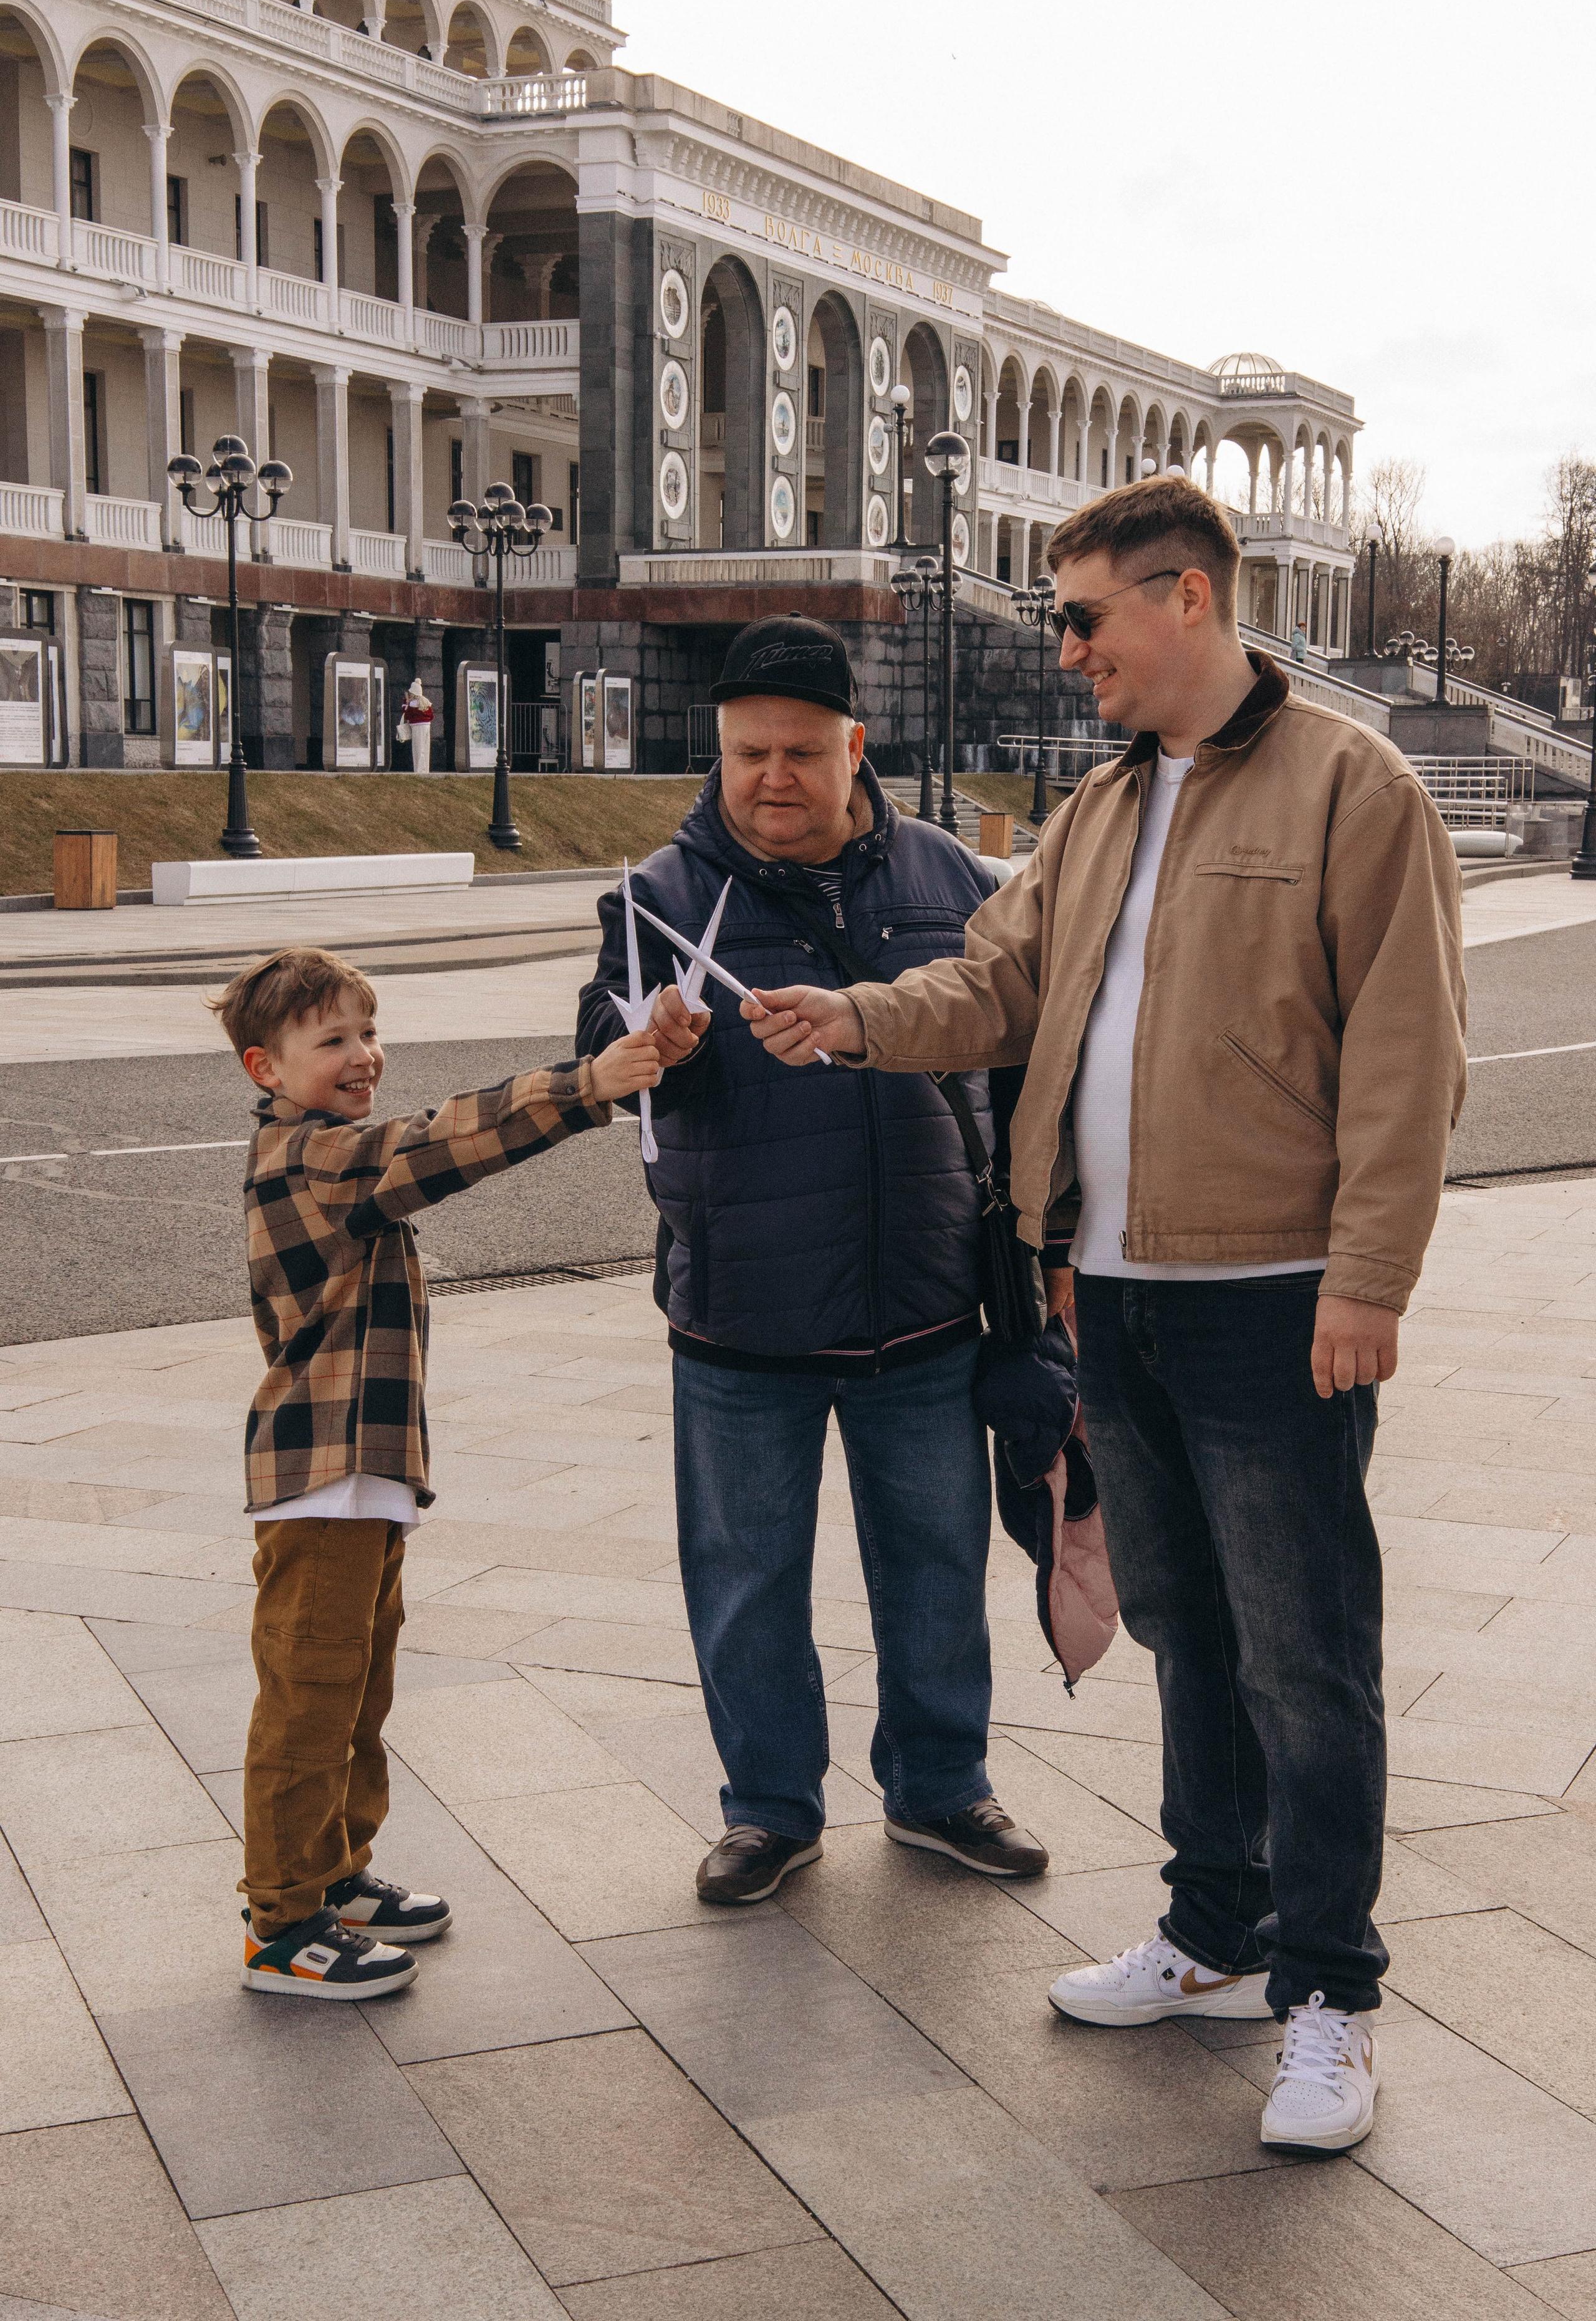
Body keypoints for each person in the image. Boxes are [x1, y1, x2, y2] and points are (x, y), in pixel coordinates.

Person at [742, 478, 1466, 2153]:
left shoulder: (1356, 787)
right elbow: (994, 984)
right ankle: (1215, 1932)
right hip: (1114, 1294)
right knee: (1186, 1633)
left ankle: (1333, 1998)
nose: (1066, 651)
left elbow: (1412, 1059)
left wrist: (1370, 1280)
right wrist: (847, 1016)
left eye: (1083, 619)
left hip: (1276, 1298)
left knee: (1307, 1653)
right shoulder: (1101, 808)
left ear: (1187, 599)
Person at [575, 615, 1049, 1905]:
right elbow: (604, 1066)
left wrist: (1030, 1246)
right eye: (745, 754)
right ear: (715, 752)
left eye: (797, 752)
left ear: (854, 747)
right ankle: (768, 1810)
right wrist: (644, 1052)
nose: (770, 779)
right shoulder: (658, 901)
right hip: (742, 1317)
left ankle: (942, 1789)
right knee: (744, 1583)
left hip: (924, 1306)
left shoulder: (951, 877)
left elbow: (1018, 1069)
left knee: (938, 1570)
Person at [211, 944, 659, 1999]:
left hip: (362, 1482)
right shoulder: (312, 1160)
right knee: (306, 1700)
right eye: (332, 1042)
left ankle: (336, 1873)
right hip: (318, 1483)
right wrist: (587, 1084)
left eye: (369, 1033)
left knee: (358, 1691)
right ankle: (281, 1924)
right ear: (262, 1068)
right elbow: (437, 1145)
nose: (364, 1056)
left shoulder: (329, 1150)